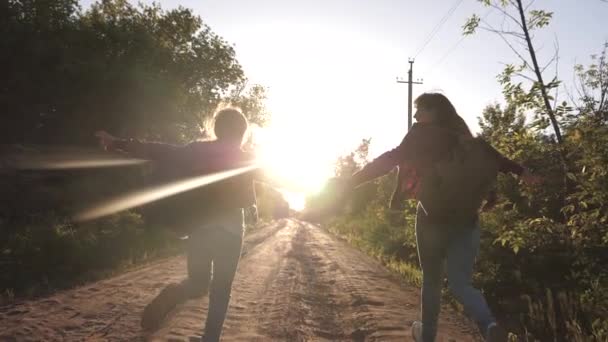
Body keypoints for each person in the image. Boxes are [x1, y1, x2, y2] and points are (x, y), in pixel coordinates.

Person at [345, 93, 540, 342]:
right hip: (467, 221)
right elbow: (498, 161)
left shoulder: (422, 136)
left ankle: (427, 336)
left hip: (431, 219)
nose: (416, 115)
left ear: (435, 111)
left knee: (432, 282)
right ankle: (489, 324)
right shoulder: (469, 140)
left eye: (420, 110)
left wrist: (352, 181)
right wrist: (524, 172)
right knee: (461, 284)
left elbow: (390, 160)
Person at [96, 108, 260, 342]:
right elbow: (278, 178)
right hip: (231, 232)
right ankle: (210, 340)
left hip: (200, 229)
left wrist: (118, 143)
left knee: (197, 283)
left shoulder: (197, 150)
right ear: (242, 132)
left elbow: (161, 150)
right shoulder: (248, 159)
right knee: (221, 290)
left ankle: (173, 294)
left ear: (217, 128)